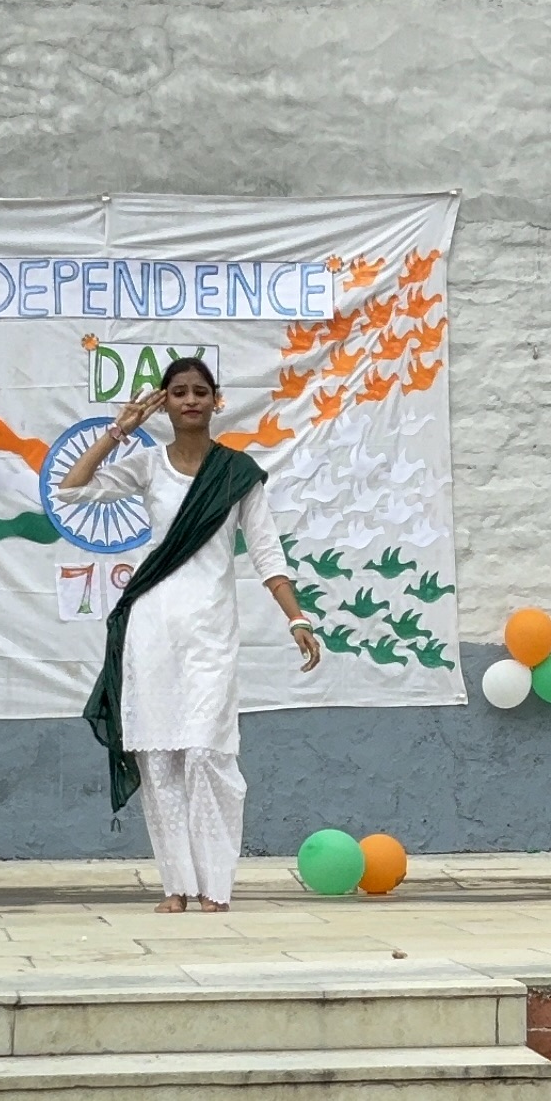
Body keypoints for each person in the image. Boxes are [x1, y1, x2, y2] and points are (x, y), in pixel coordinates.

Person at [58, 356, 320, 912]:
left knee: (205, 752)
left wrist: (296, 618)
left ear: (216, 401)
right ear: (166, 402)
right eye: (178, 392)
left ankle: (215, 886)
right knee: (159, 759)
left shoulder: (236, 474)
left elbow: (267, 553)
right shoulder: (148, 465)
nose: (191, 400)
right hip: (151, 627)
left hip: (210, 630)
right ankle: (177, 886)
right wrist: (119, 430)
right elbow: (73, 491)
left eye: (200, 391)